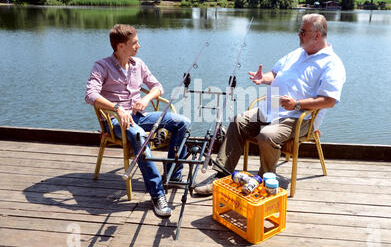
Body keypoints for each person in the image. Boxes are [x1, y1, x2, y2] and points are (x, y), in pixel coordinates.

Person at [194, 14, 346, 196]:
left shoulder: (332, 64)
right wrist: (263, 78)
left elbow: (329, 100)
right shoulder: (297, 53)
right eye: (299, 31)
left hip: (298, 117)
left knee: (267, 136)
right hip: (271, 109)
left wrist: (297, 104)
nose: (298, 34)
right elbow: (274, 74)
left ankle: (264, 180)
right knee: (237, 122)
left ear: (317, 35)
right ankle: (222, 174)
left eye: (302, 32)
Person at [85, 24, 191, 217]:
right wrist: (117, 109)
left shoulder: (138, 64)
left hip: (140, 116)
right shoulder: (101, 66)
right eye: (134, 43)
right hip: (117, 122)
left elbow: (158, 87)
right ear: (120, 46)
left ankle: (173, 175)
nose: (138, 46)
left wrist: (145, 99)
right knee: (140, 136)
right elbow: (90, 95)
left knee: (182, 121)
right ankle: (157, 195)